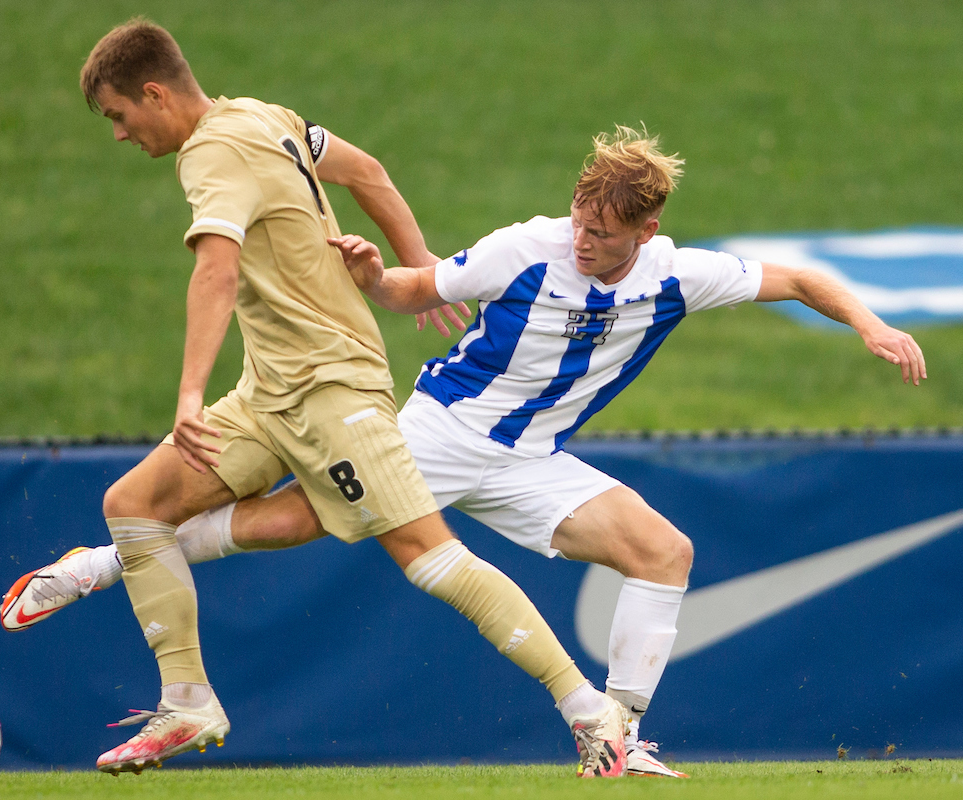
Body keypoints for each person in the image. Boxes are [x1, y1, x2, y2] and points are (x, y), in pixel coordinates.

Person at [4, 123, 928, 778]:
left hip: (535, 460)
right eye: (579, 223)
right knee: (294, 523)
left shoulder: (679, 275)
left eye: (602, 236)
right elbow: (419, 291)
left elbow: (801, 276)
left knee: (665, 552)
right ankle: (98, 563)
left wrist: (872, 325)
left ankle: (619, 738)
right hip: (442, 429)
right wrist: (377, 276)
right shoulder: (529, 246)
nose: (584, 241)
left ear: (645, 233)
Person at [43, 18, 630, 778]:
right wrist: (422, 268)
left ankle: (590, 710)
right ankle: (186, 701)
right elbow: (370, 171)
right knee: (135, 504)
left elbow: (215, 272)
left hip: (332, 390)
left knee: (427, 556)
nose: (120, 135)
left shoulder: (211, 152)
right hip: (270, 391)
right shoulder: (265, 115)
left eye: (120, 116)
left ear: (154, 92)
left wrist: (188, 394)